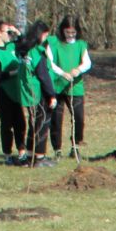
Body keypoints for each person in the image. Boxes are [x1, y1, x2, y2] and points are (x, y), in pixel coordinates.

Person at [45, 14, 91, 159]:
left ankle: (75, 146)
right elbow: (50, 62)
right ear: (62, 30)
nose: (70, 35)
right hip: (58, 86)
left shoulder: (81, 45)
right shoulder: (54, 44)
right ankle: (57, 149)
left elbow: (87, 63)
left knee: (78, 117)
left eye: (73, 32)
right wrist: (62, 73)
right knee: (56, 119)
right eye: (67, 32)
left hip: (75, 87)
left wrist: (78, 70)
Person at [15, 20, 59, 168]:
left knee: (33, 123)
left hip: (27, 92)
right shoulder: (37, 52)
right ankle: (39, 157)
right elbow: (43, 75)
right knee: (42, 123)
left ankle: (29, 155)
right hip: (38, 92)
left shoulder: (24, 50)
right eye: (46, 34)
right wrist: (51, 94)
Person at [0, 19, 27, 164]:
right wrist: (13, 73)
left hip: (15, 91)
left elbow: (24, 43)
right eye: (7, 32)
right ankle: (8, 155)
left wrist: (17, 32)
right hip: (3, 92)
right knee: (7, 124)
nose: (10, 35)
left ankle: (22, 153)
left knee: (20, 123)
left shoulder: (11, 47)